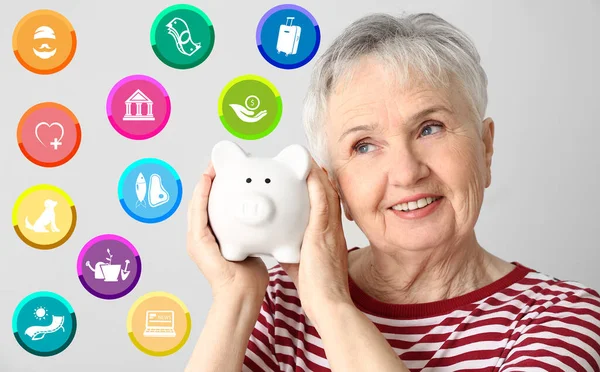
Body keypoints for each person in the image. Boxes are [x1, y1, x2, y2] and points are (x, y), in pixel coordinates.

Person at [184, 12, 600, 371]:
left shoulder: (568, 318)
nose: (406, 172)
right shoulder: (277, 306)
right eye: (364, 146)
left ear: (485, 148)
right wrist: (236, 299)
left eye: (430, 128)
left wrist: (331, 306)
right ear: (334, 187)